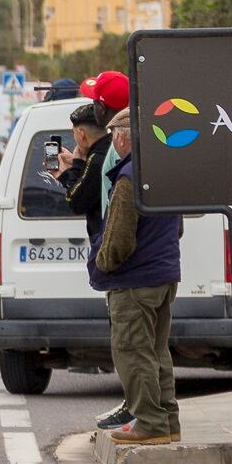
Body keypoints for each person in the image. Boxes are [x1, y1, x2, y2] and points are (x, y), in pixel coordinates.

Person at [94, 111, 184, 446]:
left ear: (122, 136)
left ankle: (149, 423)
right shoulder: (161, 174)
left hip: (134, 280)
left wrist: (102, 264)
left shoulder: (128, 177)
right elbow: (177, 227)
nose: (112, 140)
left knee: (132, 351)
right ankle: (167, 420)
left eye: (113, 132)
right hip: (163, 274)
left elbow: (118, 240)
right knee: (157, 352)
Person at [55, 98, 128, 430]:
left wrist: (69, 172)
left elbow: (77, 200)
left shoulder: (101, 158)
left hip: (117, 260)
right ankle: (142, 410)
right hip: (127, 259)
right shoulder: (104, 156)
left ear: (81, 135)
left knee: (129, 343)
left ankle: (138, 411)